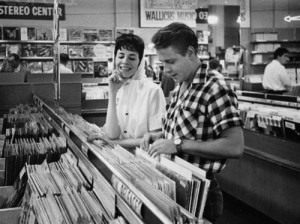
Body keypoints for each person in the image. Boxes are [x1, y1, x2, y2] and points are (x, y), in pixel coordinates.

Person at [141, 22, 244, 223]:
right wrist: (160, 137)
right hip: (177, 182)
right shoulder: (182, 85)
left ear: (190, 52)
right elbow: (185, 132)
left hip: (201, 191)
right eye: (163, 63)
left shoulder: (215, 87)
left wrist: (177, 145)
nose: (166, 69)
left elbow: (235, 146)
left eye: (171, 61)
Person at [87, 33, 166, 149]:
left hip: (144, 160)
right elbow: (112, 135)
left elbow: (156, 139)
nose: (125, 61)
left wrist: (114, 143)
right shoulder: (118, 88)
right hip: (119, 158)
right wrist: (112, 92)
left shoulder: (152, 90)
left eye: (132, 58)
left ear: (140, 61)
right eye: (121, 56)